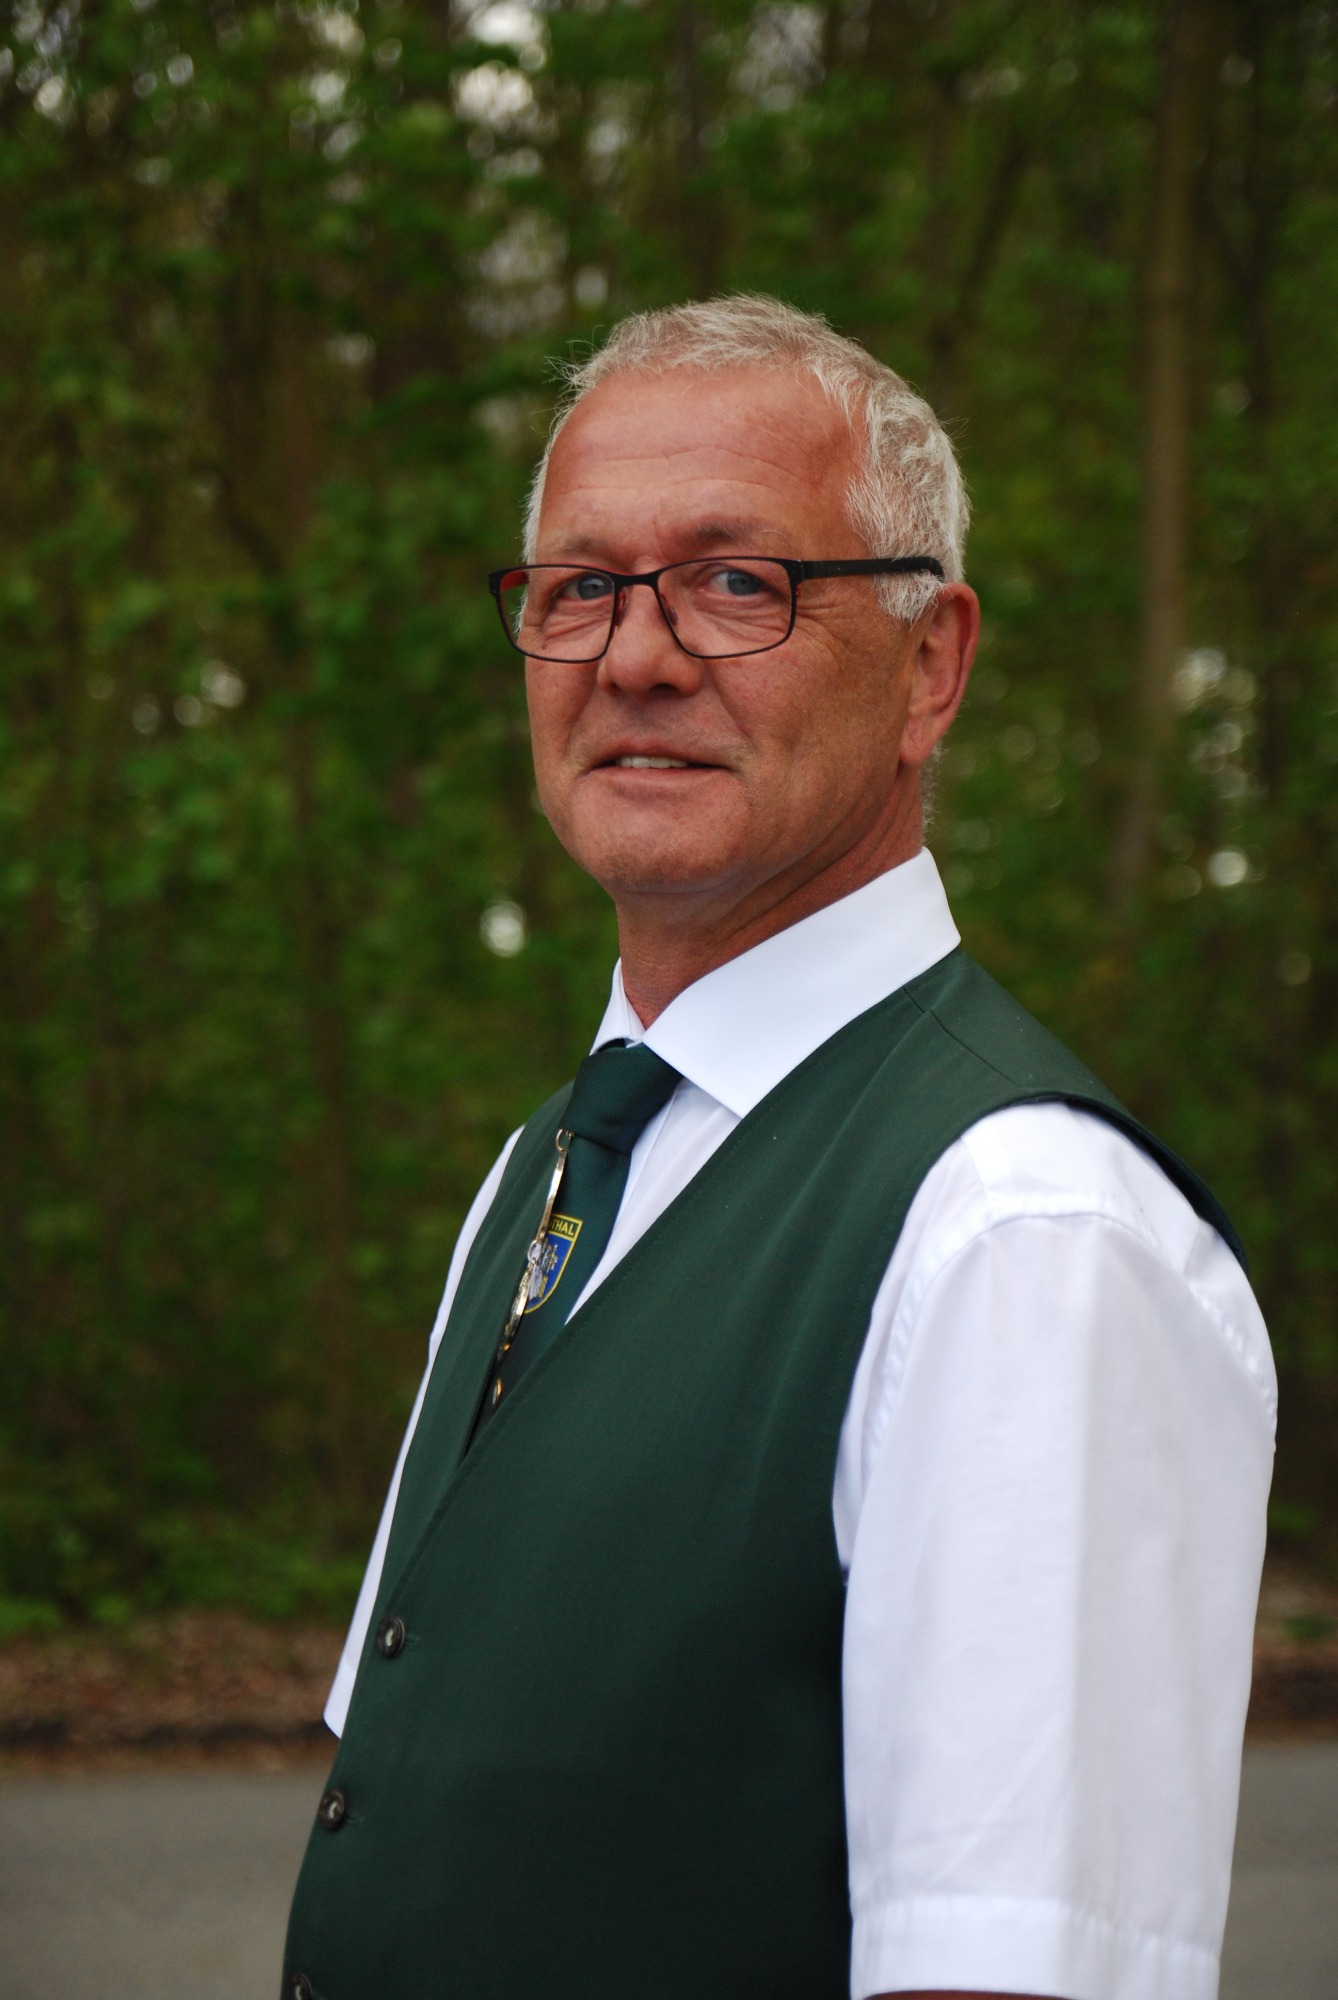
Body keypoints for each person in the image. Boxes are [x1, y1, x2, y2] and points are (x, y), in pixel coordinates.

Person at [282, 296, 1274, 2000]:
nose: (634, 656)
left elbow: (1004, 1970)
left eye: (736, 582)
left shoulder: (1018, 1232)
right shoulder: (550, 1168)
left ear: (929, 666)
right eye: (578, 588)